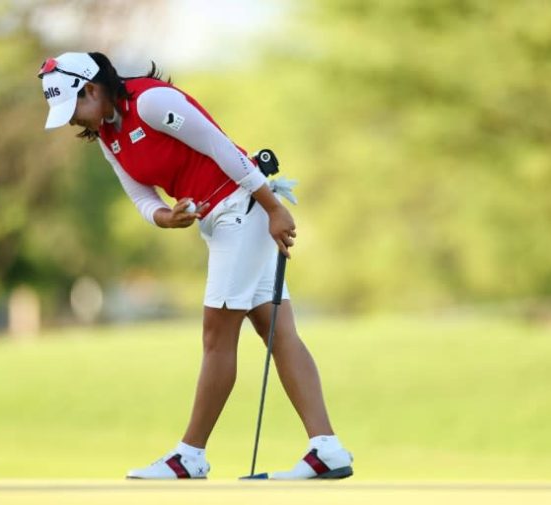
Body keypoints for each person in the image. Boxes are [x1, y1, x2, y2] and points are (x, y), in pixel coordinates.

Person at [38, 52, 353, 480]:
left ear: (92, 89)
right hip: (223, 220)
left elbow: (220, 145)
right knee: (276, 331)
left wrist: (273, 207)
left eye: (72, 108)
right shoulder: (108, 135)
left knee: (216, 336)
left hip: (241, 210)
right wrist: (166, 217)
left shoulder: (150, 103)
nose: (72, 121)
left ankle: (190, 455)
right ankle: (326, 448)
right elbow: (141, 196)